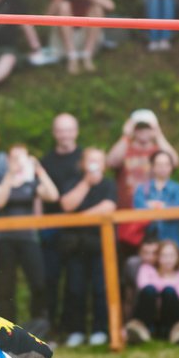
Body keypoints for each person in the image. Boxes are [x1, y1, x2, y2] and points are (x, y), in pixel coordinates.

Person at [0, 145, 58, 335]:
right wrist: (10, 175)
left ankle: (38, 327)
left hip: (28, 238)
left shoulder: (32, 183)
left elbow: (53, 195)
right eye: (14, 158)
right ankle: (7, 331)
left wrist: (39, 170)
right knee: (6, 286)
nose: (18, 162)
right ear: (7, 160)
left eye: (21, 158)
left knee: (38, 282)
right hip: (5, 240)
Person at [59, 148, 117, 347]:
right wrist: (86, 183)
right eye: (90, 160)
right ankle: (77, 330)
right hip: (75, 246)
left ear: (104, 165)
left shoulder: (108, 184)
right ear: (83, 164)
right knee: (75, 289)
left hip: (101, 244)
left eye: (98, 160)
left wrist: (78, 219)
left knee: (101, 288)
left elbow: (108, 207)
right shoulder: (73, 182)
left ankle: (101, 330)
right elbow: (67, 205)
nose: (94, 164)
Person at [40, 113, 83, 331]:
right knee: (50, 281)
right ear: (54, 133)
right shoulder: (46, 162)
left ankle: (74, 328)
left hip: (80, 230)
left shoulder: (84, 159)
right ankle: (52, 328)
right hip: (51, 230)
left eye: (69, 130)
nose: (65, 135)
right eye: (61, 130)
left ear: (76, 131)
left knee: (76, 282)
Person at [106, 109, 179, 211]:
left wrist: (159, 135)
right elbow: (111, 162)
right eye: (139, 127)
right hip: (126, 212)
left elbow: (174, 162)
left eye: (148, 127)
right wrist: (126, 136)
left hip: (153, 213)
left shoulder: (159, 151)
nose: (143, 130)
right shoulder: (124, 149)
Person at [125, 240, 179, 344]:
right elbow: (143, 287)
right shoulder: (146, 269)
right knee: (149, 290)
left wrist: (161, 287)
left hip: (168, 316)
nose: (168, 260)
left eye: (171, 255)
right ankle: (139, 330)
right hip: (149, 314)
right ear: (158, 257)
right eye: (164, 256)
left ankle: (176, 332)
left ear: (178, 257)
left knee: (169, 291)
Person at [47, 0, 115, 74]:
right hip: (64, 38)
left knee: (97, 8)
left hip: (86, 36)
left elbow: (110, 6)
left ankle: (87, 55)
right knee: (64, 6)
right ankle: (72, 57)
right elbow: (47, 17)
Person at [133, 151, 179, 247]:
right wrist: (165, 207)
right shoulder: (142, 188)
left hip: (172, 242)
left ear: (171, 167)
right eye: (159, 164)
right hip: (147, 244)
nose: (163, 168)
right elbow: (139, 211)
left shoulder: (178, 189)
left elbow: (177, 212)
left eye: (166, 164)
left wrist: (154, 205)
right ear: (153, 167)